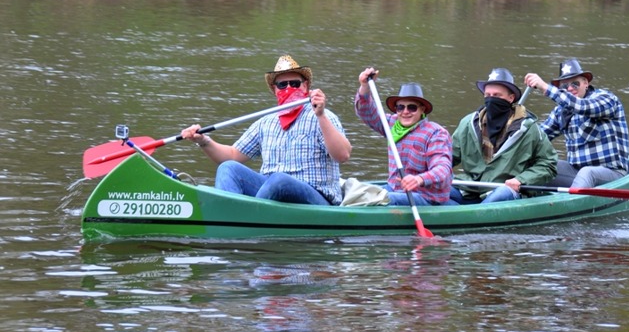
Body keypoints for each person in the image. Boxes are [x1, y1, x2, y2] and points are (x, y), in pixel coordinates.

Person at [181, 55, 352, 205]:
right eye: (282, 85)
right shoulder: (266, 122)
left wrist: (321, 115)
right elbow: (233, 154)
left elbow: (343, 155)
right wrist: (203, 141)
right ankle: (230, 214)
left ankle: (246, 218)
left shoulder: (323, 116)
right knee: (228, 168)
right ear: (274, 89)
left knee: (280, 179)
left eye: (294, 83)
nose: (289, 88)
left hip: (315, 197)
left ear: (305, 86)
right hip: (270, 194)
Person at [451, 68, 557, 204]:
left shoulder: (529, 129)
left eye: (497, 95)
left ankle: (472, 217)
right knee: (431, 190)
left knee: (502, 193)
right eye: (487, 95)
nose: (491, 99)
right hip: (468, 189)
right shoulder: (467, 123)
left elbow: (548, 165)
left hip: (504, 190)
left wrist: (521, 180)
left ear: (511, 98)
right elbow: (447, 157)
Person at [354, 67, 454, 206]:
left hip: (425, 197)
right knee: (359, 193)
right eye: (400, 107)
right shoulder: (392, 124)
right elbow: (366, 112)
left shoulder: (436, 133)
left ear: (422, 110)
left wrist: (419, 179)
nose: (405, 112)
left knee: (382, 200)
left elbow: (443, 169)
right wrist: (365, 86)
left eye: (412, 107)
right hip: (394, 189)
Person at [524, 58, 629, 188]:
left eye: (575, 84)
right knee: (539, 164)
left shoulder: (606, 99)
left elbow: (581, 106)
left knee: (587, 172)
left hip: (612, 173)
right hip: (576, 173)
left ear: (585, 83)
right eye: (564, 86)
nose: (569, 88)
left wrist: (545, 87)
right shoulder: (560, 112)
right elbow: (538, 137)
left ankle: (570, 206)